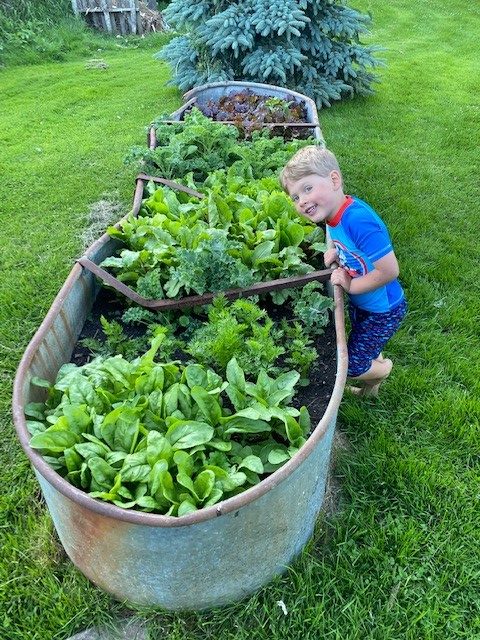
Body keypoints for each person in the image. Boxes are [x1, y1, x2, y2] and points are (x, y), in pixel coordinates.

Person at [280, 145, 407, 396]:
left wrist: (350, 286)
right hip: (365, 303)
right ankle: (371, 390)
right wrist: (338, 252)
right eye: (295, 197)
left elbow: (390, 271)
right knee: (366, 346)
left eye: (307, 188)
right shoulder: (334, 214)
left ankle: (383, 370)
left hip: (384, 309)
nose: (302, 201)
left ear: (334, 180)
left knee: (353, 365)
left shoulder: (358, 220)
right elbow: (354, 248)